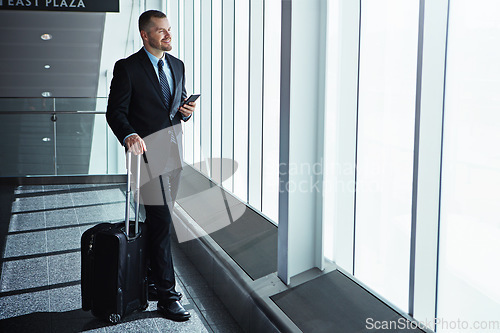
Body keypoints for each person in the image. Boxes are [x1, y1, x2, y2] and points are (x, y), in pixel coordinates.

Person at [106, 9, 196, 321]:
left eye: (169, 30)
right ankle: (167, 297)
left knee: (159, 223)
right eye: (161, 31)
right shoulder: (128, 68)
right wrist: (129, 133)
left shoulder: (177, 65)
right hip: (146, 158)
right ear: (146, 35)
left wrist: (186, 112)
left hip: (173, 156)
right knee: (161, 224)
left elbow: (175, 108)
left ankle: (153, 283)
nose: (168, 36)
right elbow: (115, 112)